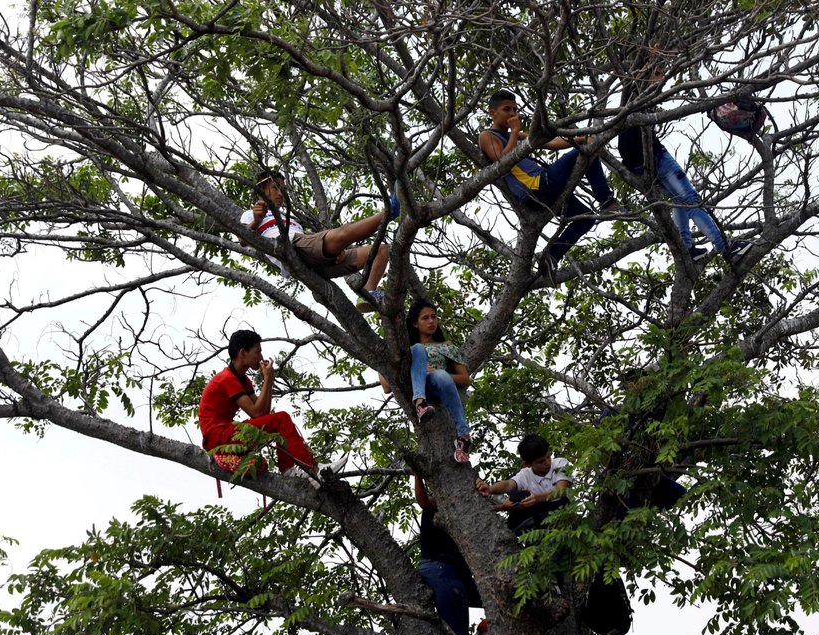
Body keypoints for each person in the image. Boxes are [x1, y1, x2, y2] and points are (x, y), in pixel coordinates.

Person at [617, 57, 751, 266]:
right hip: (654, 157)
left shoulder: (633, 97)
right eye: (658, 73)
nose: (662, 79)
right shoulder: (638, 92)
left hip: (635, 164)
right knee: (691, 199)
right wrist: (651, 56)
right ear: (644, 74)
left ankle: (687, 249)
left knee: (679, 201)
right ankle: (726, 248)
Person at [479, 89, 618, 282]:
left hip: (546, 188)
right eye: (506, 109)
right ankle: (606, 201)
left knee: (586, 218)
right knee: (585, 153)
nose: (512, 113)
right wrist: (514, 132)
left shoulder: (518, 136)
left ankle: (552, 255)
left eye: (515, 109)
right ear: (492, 113)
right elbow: (502, 161)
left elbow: (550, 142)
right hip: (537, 187)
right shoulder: (487, 136)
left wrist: (580, 139)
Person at [198, 329, 347, 485]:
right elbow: (256, 413)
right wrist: (268, 378)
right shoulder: (227, 378)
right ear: (243, 353)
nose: (261, 357)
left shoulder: (243, 380)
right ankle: (315, 470)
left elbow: (263, 414)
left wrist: (269, 380)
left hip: (225, 433)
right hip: (217, 437)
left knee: (278, 421)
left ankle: (289, 469)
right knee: (281, 419)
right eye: (258, 352)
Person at [239, 170, 398, 312]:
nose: (281, 193)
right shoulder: (249, 214)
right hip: (294, 248)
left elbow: (310, 240)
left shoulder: (291, 220)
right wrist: (256, 221)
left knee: (381, 250)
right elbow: (242, 239)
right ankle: (389, 212)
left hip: (314, 262)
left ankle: (368, 294)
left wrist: (338, 250)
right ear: (261, 191)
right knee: (343, 233)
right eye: (275, 188)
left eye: (283, 189)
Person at [380, 300, 473, 463]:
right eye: (425, 318)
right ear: (415, 323)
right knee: (417, 349)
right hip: (414, 385)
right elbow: (387, 387)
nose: (431, 321)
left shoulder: (446, 346)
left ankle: (464, 436)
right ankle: (420, 402)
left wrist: (436, 371)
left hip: (437, 384)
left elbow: (465, 379)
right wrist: (382, 361)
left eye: (434, 317)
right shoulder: (406, 349)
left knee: (442, 376)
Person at [414, 475, 481, 635]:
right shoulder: (438, 502)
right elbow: (424, 502)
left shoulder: (467, 510)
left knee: (500, 599)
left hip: (459, 573)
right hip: (439, 569)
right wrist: (417, 474)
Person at [475, 433, 572, 534]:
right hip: (539, 519)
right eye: (541, 461)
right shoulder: (525, 474)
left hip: (563, 513)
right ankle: (524, 531)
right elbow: (508, 484)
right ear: (527, 464)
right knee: (519, 496)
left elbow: (561, 490)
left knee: (555, 500)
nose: (547, 463)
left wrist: (537, 498)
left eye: (548, 457)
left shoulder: (560, 463)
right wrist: (490, 489)